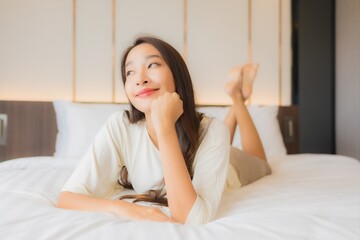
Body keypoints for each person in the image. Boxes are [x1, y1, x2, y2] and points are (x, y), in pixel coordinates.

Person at [56, 36, 271, 225]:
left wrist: (165, 127)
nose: (140, 78)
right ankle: (236, 98)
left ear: (177, 75)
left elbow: (192, 219)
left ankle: (237, 98)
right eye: (129, 72)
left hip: (228, 169)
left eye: (152, 65)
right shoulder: (120, 126)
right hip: (208, 145)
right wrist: (124, 208)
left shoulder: (213, 130)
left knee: (262, 163)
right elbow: (68, 197)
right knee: (219, 133)